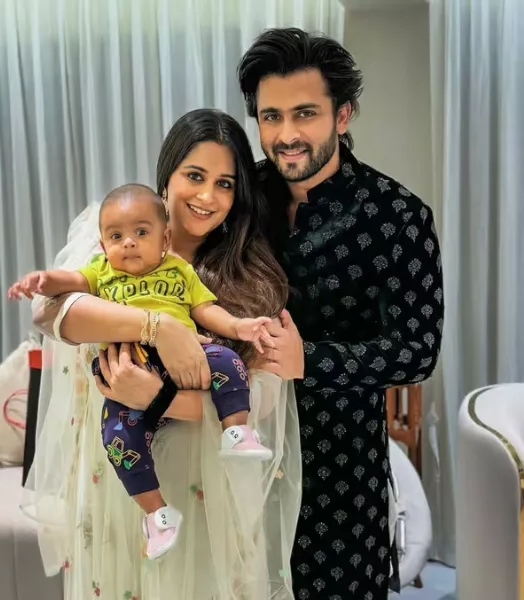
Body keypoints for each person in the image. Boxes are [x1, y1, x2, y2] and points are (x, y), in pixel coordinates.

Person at [23, 109, 303, 600]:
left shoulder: (247, 275)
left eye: (224, 184)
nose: (207, 196)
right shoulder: (115, 231)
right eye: (194, 176)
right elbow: (52, 313)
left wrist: (156, 398)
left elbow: (261, 400)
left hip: (203, 484)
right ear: (167, 173)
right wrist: (160, 326)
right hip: (122, 482)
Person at [237, 28, 444, 599]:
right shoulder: (240, 200)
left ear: (342, 114)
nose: (286, 135)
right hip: (237, 464)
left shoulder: (398, 216)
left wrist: (311, 360)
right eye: (271, 116)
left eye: (305, 113)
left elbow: (417, 351)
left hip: (341, 486)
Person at [11, 183, 274, 560]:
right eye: (116, 236)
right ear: (103, 246)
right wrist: (42, 280)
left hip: (187, 357)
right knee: (116, 438)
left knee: (228, 362)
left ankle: (237, 431)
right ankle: (157, 515)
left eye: (141, 232)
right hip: (130, 369)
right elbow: (67, 286)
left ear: (164, 239)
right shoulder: (101, 272)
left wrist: (238, 326)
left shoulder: (179, 270)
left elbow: (205, 310)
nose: (129, 243)